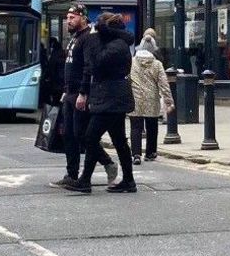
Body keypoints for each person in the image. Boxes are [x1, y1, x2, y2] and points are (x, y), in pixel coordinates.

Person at [69, 12, 136, 194]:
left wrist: (91, 42)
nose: (94, 28)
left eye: (98, 24)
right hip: (111, 97)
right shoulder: (114, 43)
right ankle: (127, 181)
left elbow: (97, 63)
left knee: (89, 137)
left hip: (111, 98)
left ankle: (86, 180)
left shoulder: (117, 46)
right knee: (119, 141)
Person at [129, 30, 172, 164]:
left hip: (135, 98)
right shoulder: (157, 64)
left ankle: (136, 154)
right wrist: (169, 101)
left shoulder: (132, 62)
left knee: (135, 127)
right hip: (152, 99)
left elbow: (127, 80)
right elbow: (164, 84)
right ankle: (150, 152)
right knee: (152, 126)